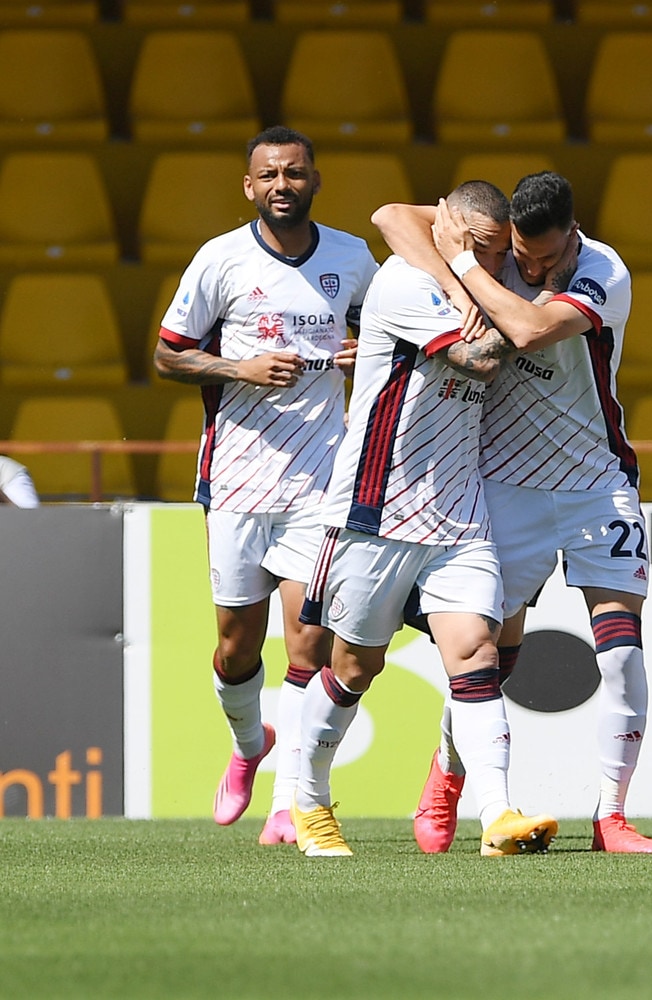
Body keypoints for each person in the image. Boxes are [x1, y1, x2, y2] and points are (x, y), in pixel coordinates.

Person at [373, 172, 652, 853]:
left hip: (596, 482)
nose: (529, 269)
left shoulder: (602, 271)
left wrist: (466, 266)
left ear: (574, 235)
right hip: (504, 484)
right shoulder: (496, 247)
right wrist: (455, 276)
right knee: (491, 662)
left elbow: (529, 330)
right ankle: (446, 777)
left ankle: (611, 818)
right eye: (519, 257)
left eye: (544, 259)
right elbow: (390, 215)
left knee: (621, 654)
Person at [292, 180, 558, 858]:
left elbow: (403, 217)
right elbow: (478, 361)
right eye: (484, 249)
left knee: (477, 654)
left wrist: (482, 285)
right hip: (375, 508)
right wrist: (524, 315)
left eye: (500, 253)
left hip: (459, 511)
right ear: (452, 232)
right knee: (355, 666)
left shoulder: (473, 280)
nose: (497, 265)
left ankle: (496, 815)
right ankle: (309, 801)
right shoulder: (405, 285)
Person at [152, 126, 376, 846]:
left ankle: (289, 804)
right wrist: (238, 368)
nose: (283, 184)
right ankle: (250, 746)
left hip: (320, 482)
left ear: (315, 180)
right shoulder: (220, 259)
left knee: (307, 645)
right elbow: (168, 356)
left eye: (295, 172)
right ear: (250, 186)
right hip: (238, 480)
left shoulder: (352, 257)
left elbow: (389, 338)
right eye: (270, 175)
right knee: (235, 646)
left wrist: (368, 354)